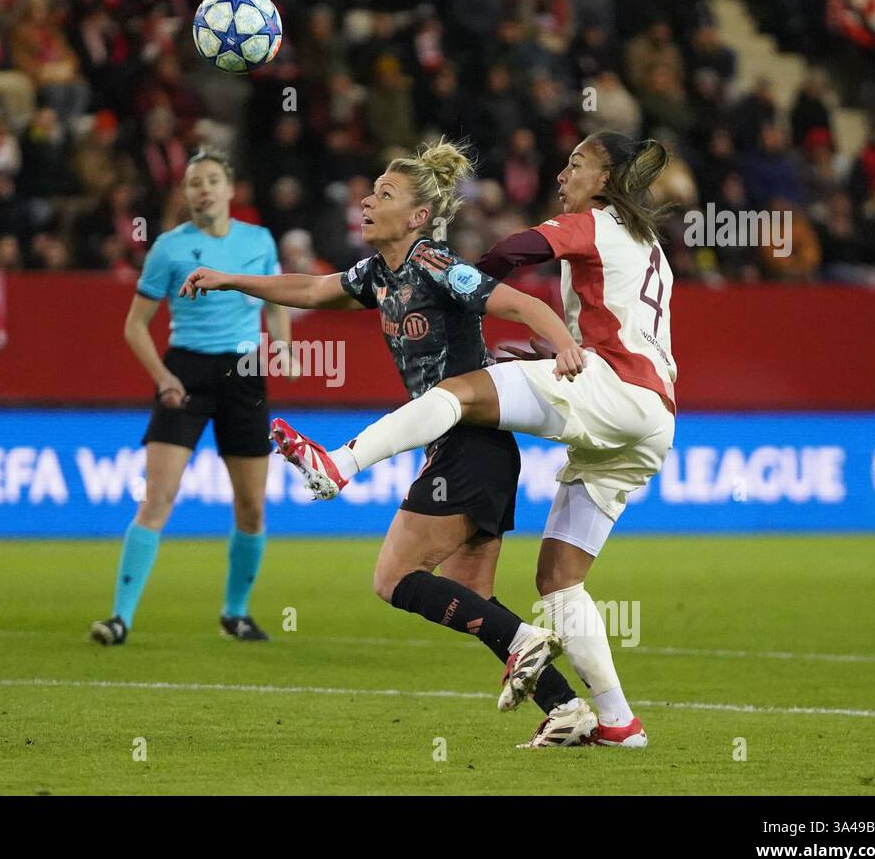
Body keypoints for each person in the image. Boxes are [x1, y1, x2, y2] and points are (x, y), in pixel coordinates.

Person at [180, 139, 598, 747]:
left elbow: (513, 299)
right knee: (474, 596)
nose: (367, 201)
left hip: (470, 439)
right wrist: (231, 281)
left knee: (393, 578)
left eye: (384, 194)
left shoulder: (434, 264)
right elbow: (314, 289)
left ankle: (525, 643)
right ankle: (566, 709)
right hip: (473, 450)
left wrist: (563, 341)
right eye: (371, 190)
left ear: (418, 217)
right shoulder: (379, 272)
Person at [265, 131, 676, 748]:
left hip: (614, 387)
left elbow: (518, 249)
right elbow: (315, 290)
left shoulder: (593, 222)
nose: (563, 173)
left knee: (458, 393)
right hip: (654, 417)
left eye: (577, 164)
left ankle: (340, 462)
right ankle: (613, 721)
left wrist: (461, 282)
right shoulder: (651, 248)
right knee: (558, 581)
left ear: (608, 179)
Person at [90, 151, 291, 646]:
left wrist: (281, 343)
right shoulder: (168, 248)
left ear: (229, 189)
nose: (203, 189)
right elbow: (135, 325)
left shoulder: (258, 239)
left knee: (252, 509)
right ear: (186, 195)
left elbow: (279, 297)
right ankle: (120, 619)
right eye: (194, 182)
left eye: (212, 180)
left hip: (244, 375)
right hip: (186, 373)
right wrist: (162, 377)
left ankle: (236, 614)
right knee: (156, 498)